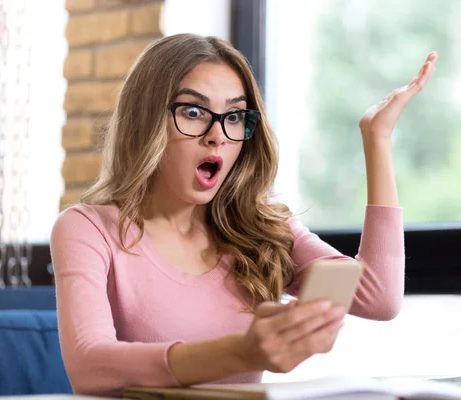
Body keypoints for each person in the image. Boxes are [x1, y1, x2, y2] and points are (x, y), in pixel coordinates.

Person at [50, 33, 437, 397]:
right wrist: (242, 352)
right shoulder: (87, 229)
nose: (217, 134)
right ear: (145, 120)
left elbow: (379, 299)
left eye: (234, 117)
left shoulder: (260, 225)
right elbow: (90, 365)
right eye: (193, 111)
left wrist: (378, 137)